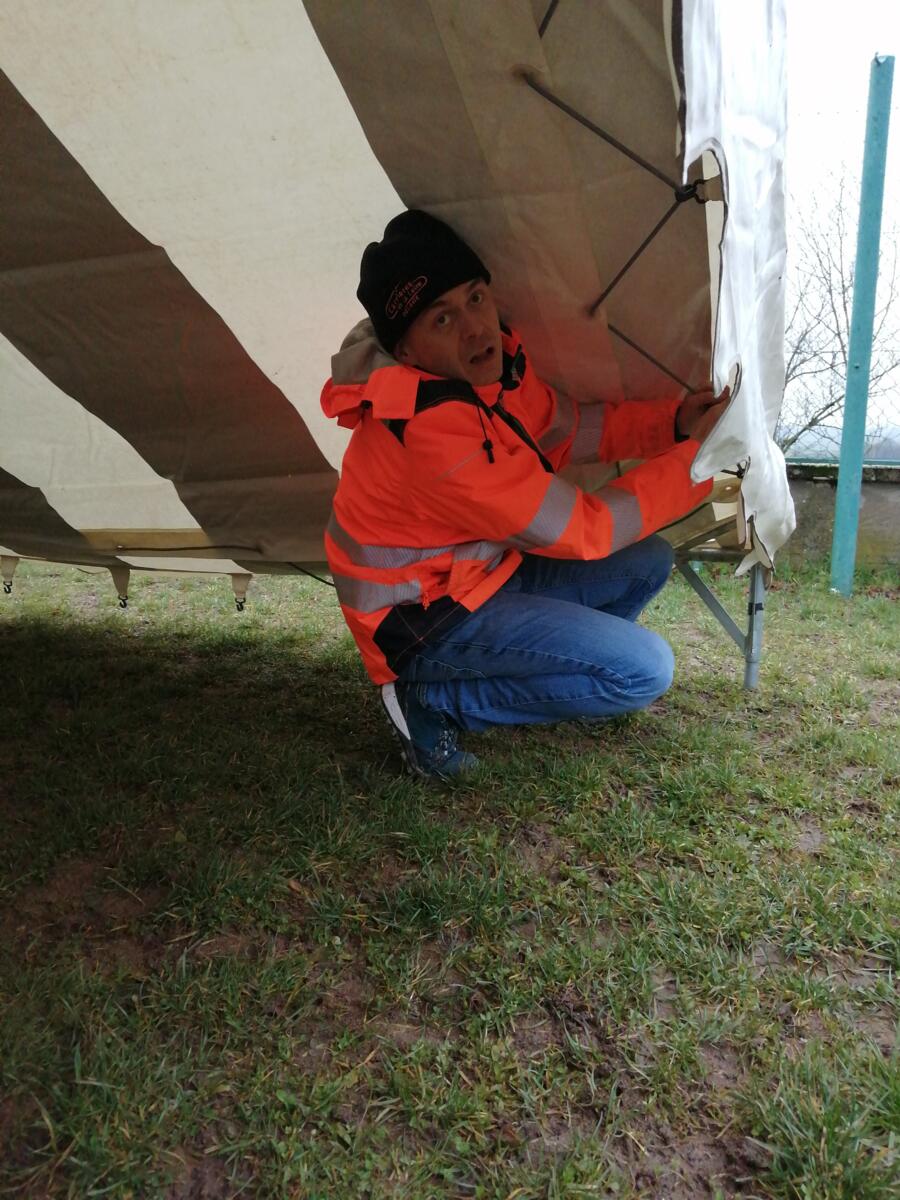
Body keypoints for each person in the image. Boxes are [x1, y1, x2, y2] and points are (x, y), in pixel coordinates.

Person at [320, 210, 728, 779]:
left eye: (475, 298)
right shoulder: (428, 432)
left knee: (649, 561)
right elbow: (587, 528)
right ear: (406, 352)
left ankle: (559, 677)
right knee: (644, 671)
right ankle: (431, 701)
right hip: (422, 621)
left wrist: (675, 424)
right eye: (442, 319)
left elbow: (570, 430)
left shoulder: (493, 374)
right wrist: (700, 460)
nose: (475, 328)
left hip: (482, 575)